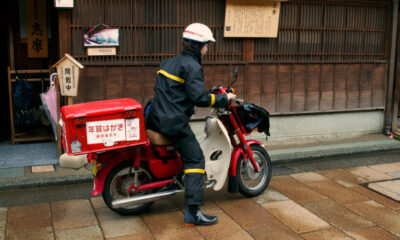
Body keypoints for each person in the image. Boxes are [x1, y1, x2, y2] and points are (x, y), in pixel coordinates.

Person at [146, 23, 235, 226]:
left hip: (156, 118)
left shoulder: (169, 62)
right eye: (206, 45)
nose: (207, 49)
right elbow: (199, 98)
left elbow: (174, 92)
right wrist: (223, 99)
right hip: (173, 123)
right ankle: (193, 213)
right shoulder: (192, 66)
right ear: (197, 45)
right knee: (195, 160)